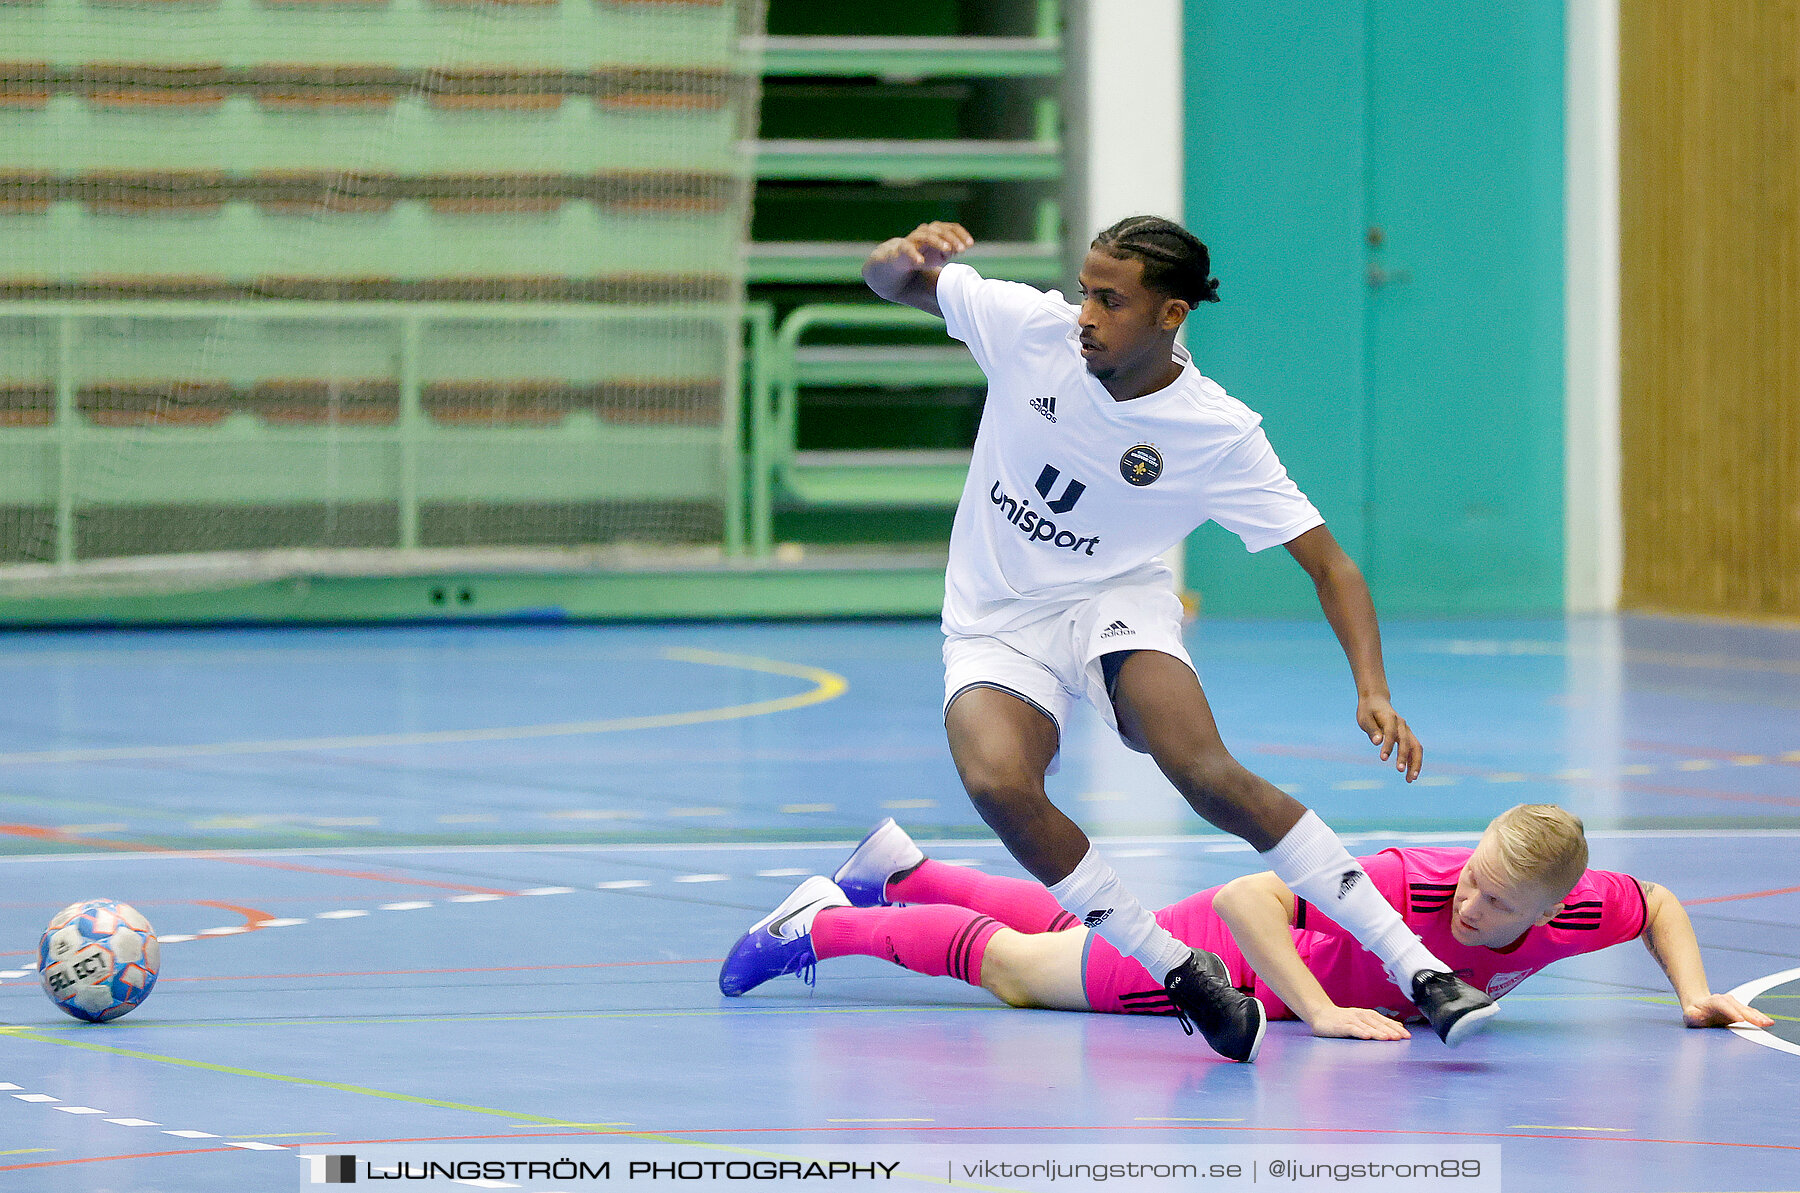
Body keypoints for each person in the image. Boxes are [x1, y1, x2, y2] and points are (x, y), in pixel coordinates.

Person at [856, 215, 1493, 1061]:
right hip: (997, 619)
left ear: (1170, 314)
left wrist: (1372, 688)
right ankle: (1179, 969)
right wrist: (901, 259)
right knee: (997, 781)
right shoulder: (1027, 329)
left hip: (1115, 601)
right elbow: (890, 281)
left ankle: (1419, 968)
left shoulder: (1216, 431)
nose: (1086, 311)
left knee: (1204, 771)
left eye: (1111, 299)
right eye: (1086, 289)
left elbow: (1331, 566)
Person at [718, 808, 1775, 1045]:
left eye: (1497, 902)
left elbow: (1661, 904)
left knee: (1062, 924)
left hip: (1267, 966)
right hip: (1232, 962)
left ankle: (898, 866)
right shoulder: (1407, 880)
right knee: (1024, 970)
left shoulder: (1582, 903)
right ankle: (824, 925)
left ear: (1552, 913)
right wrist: (1319, 1009)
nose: (1469, 901)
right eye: (1474, 874)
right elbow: (1241, 898)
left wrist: (1691, 990)